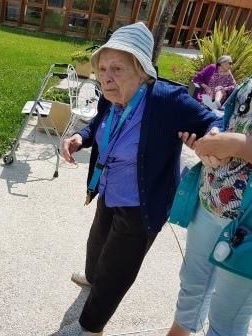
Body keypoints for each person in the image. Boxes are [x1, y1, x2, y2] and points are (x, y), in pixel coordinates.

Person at [58, 22, 221, 336]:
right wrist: (80, 137)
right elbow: (98, 125)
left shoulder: (166, 100)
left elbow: (211, 120)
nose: (106, 76)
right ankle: (92, 278)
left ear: (143, 72)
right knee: (98, 244)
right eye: (102, 68)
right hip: (108, 189)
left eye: (117, 68)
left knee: (116, 270)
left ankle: (90, 327)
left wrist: (209, 137)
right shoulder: (111, 95)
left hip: (141, 205)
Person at [167, 77, 252, 336]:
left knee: (227, 319)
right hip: (211, 201)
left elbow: (238, 141)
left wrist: (232, 144)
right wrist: (212, 141)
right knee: (193, 282)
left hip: (247, 225)